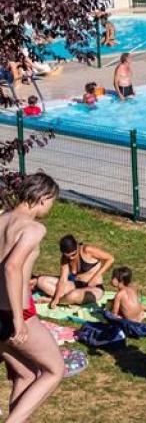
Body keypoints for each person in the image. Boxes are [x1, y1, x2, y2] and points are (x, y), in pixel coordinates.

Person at [0, 173, 64, 423]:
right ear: (42, 197)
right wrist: (19, 318)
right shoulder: (33, 228)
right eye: (52, 201)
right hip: (14, 313)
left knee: (25, 374)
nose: (51, 207)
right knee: (54, 369)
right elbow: (12, 268)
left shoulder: (2, 218)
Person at [34, 234, 113, 308]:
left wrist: (97, 276)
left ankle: (53, 300)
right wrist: (57, 297)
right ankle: (62, 300)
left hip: (94, 288)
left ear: (77, 247)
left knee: (73, 295)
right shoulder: (65, 259)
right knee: (41, 281)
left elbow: (110, 258)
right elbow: (63, 280)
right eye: (68, 256)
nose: (71, 258)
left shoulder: (87, 250)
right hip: (75, 285)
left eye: (74, 254)